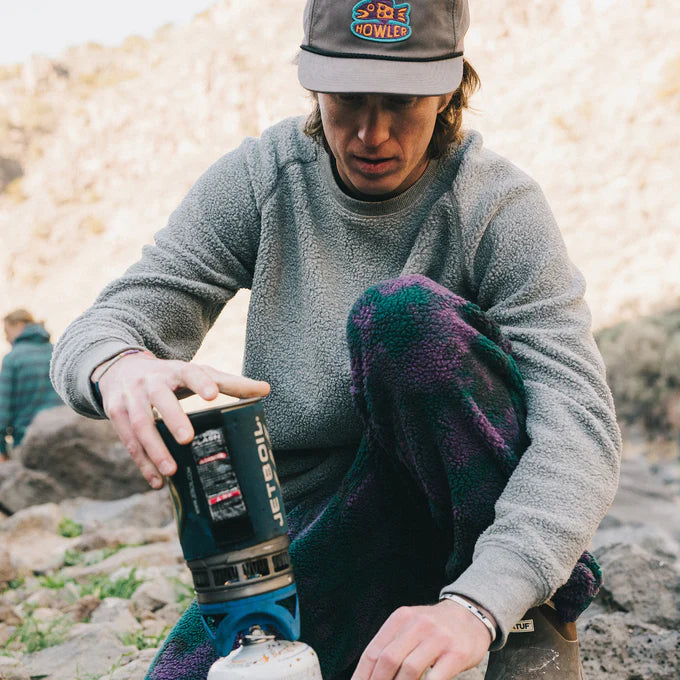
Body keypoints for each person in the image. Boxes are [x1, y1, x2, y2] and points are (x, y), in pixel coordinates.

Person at [50, 1, 621, 678]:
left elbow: (579, 427)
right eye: (347, 99)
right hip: (332, 522)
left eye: (402, 102)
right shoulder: (264, 177)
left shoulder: (496, 204)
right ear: (311, 83)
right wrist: (120, 366)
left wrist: (482, 602)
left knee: (403, 319)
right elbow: (105, 323)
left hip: (476, 528)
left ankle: (532, 615)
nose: (371, 133)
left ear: (447, 91)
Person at [1, 309, 64, 459]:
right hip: (63, 436)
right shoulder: (57, 352)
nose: (6, 338)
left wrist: (1, 448)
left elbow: (2, 408)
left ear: (20, 325)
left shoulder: (12, 358)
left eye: (6, 332)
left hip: (27, 441)